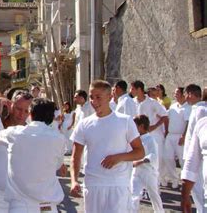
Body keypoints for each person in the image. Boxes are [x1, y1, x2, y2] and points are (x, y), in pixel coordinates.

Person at [70, 80, 144, 213]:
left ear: (110, 97)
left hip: (118, 184)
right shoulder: (84, 124)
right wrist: (74, 180)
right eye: (92, 97)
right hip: (93, 185)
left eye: (98, 97)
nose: (94, 101)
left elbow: (140, 152)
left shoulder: (125, 121)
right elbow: (76, 156)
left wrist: (119, 157)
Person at [0, 97, 66, 213]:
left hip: (20, 207)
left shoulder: (15, 133)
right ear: (51, 117)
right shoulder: (59, 139)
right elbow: (57, 165)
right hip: (48, 208)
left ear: (31, 114)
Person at [0, 91, 33, 213]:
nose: (21, 114)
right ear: (10, 105)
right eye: (19, 109)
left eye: (26, 111)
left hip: (19, 197)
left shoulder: (30, 131)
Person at [131, 80, 168, 185]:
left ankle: (156, 184)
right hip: (137, 136)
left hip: (153, 135)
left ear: (139, 89)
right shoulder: (131, 102)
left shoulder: (152, 102)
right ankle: (139, 186)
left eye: (133, 88)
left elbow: (164, 116)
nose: (131, 91)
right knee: (139, 159)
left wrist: (154, 126)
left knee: (155, 160)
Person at [131, 115, 164, 213]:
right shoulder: (134, 140)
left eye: (134, 126)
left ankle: (159, 211)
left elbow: (153, 155)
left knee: (154, 195)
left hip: (148, 172)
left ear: (141, 126)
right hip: (136, 172)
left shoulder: (150, 140)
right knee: (133, 195)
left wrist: (140, 161)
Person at [181, 83, 206, 212]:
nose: (185, 97)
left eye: (186, 94)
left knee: (200, 191)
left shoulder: (201, 110)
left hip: (199, 158)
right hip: (193, 155)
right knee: (197, 192)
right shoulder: (196, 109)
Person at [164, 87, 189, 189]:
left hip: (181, 136)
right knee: (167, 158)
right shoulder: (173, 106)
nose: (175, 95)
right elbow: (166, 118)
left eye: (177, 93)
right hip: (170, 135)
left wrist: (183, 136)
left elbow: (188, 123)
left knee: (183, 160)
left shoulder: (188, 107)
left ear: (183, 94)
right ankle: (174, 179)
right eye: (174, 93)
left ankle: (185, 182)